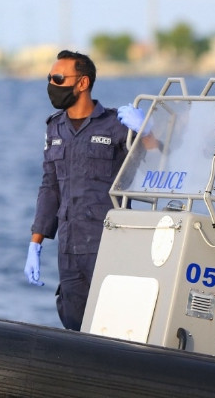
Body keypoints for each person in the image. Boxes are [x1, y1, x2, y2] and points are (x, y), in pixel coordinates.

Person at [24, 50, 140, 331]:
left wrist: (147, 130)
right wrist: (35, 242)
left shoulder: (116, 124)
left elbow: (157, 160)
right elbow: (49, 187)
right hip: (69, 248)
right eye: (50, 78)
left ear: (83, 83)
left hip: (108, 244)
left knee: (115, 324)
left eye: (59, 78)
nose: (52, 84)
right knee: (74, 322)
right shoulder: (55, 129)